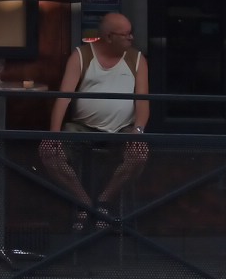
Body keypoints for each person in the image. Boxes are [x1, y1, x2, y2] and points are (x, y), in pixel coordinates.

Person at [39, 12, 149, 223]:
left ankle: (103, 202)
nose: (131, 38)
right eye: (126, 34)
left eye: (131, 33)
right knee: (49, 153)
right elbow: (63, 98)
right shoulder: (81, 55)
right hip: (82, 127)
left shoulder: (137, 59)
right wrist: (54, 133)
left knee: (139, 155)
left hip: (123, 129)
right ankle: (86, 203)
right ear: (108, 37)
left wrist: (138, 130)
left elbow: (143, 102)